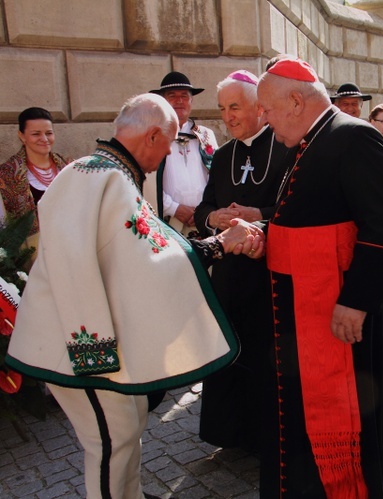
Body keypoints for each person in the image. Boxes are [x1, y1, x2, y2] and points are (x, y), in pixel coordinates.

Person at [5, 93, 266, 499]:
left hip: (92, 339)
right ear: (154, 135)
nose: (165, 156)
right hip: (79, 345)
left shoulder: (105, 174)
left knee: (127, 427)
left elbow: (137, 259)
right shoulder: (96, 176)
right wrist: (219, 245)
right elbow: (95, 263)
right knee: (111, 441)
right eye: (168, 145)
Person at [257, 59, 383, 498]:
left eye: (267, 108)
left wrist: (356, 301)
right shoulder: (307, 141)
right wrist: (262, 226)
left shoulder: (354, 136)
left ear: (296, 101)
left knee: (347, 418)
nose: (263, 119)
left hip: (339, 311)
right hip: (306, 309)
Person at [194, 70, 293, 451]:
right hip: (230, 277)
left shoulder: (285, 147)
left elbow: (294, 207)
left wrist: (258, 214)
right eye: (222, 109)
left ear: (258, 107)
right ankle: (228, 432)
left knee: (267, 356)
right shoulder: (222, 156)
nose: (227, 116)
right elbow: (204, 206)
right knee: (230, 350)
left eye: (234, 107)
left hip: (269, 273)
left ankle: (267, 437)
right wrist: (213, 218)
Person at [144, 71, 218, 238]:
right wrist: (174, 208)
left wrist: (204, 210)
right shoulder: (152, 136)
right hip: (168, 223)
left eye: (184, 96)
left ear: (191, 101)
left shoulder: (206, 135)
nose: (179, 101)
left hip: (203, 222)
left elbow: (216, 178)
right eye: (172, 96)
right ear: (162, 101)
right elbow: (147, 181)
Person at [0, 107, 71, 250]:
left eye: (49, 133)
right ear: (22, 136)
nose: (44, 139)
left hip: (71, 245)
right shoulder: (7, 174)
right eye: (36, 134)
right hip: (32, 254)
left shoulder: (70, 167)